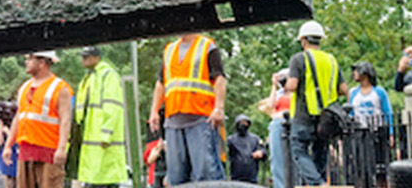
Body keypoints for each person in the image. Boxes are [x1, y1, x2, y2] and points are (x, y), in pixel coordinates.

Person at [149, 33, 227, 185]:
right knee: (176, 177)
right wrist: (154, 111)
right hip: (173, 121)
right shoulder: (169, 50)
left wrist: (219, 108)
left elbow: (219, 78)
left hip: (201, 118)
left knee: (206, 174)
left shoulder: (207, 46)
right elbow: (161, 83)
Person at [287, 21, 344, 186]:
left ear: (303, 40)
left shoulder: (298, 59)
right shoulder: (331, 60)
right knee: (321, 153)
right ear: (320, 40)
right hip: (325, 118)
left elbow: (292, 86)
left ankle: (318, 184)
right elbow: (343, 89)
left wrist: (282, 82)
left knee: (299, 151)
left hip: (303, 116)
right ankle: (317, 183)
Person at [11, 51, 75, 188]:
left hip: (49, 150)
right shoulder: (24, 88)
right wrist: (8, 145)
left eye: (29, 58)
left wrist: (61, 149)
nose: (26, 61)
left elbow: (65, 120)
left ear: (42, 62)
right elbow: (18, 117)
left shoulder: (60, 88)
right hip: (25, 151)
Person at [74, 46, 132, 188]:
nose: (83, 59)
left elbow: (112, 106)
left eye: (86, 56)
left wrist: (106, 134)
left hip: (103, 144)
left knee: (105, 180)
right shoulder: (89, 77)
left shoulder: (107, 75)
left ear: (97, 57)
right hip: (92, 144)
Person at [347, 63, 395, 188]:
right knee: (361, 166)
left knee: (380, 167)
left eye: (357, 71)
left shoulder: (379, 92)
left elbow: (387, 112)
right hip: (360, 133)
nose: (354, 74)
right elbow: (351, 113)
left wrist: (390, 133)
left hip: (377, 132)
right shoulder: (353, 93)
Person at [255, 71, 292, 188]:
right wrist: (274, 85)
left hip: (292, 124)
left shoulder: (298, 94)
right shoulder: (279, 95)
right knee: (277, 160)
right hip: (277, 124)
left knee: (294, 160)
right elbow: (271, 105)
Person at [226, 117, 268, 184]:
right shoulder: (231, 140)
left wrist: (261, 153)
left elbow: (264, 151)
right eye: (241, 122)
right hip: (235, 179)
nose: (243, 124)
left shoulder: (255, 139)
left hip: (252, 178)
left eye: (245, 122)